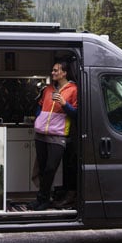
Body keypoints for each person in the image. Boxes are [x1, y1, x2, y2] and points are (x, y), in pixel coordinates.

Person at [31, 58, 77, 210]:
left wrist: (64, 103)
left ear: (64, 73)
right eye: (53, 70)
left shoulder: (73, 90)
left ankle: (44, 199)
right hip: (40, 134)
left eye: (56, 70)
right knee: (43, 168)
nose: (53, 72)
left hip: (58, 135)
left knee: (51, 168)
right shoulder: (47, 89)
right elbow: (39, 107)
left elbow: (76, 113)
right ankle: (42, 199)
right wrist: (38, 119)